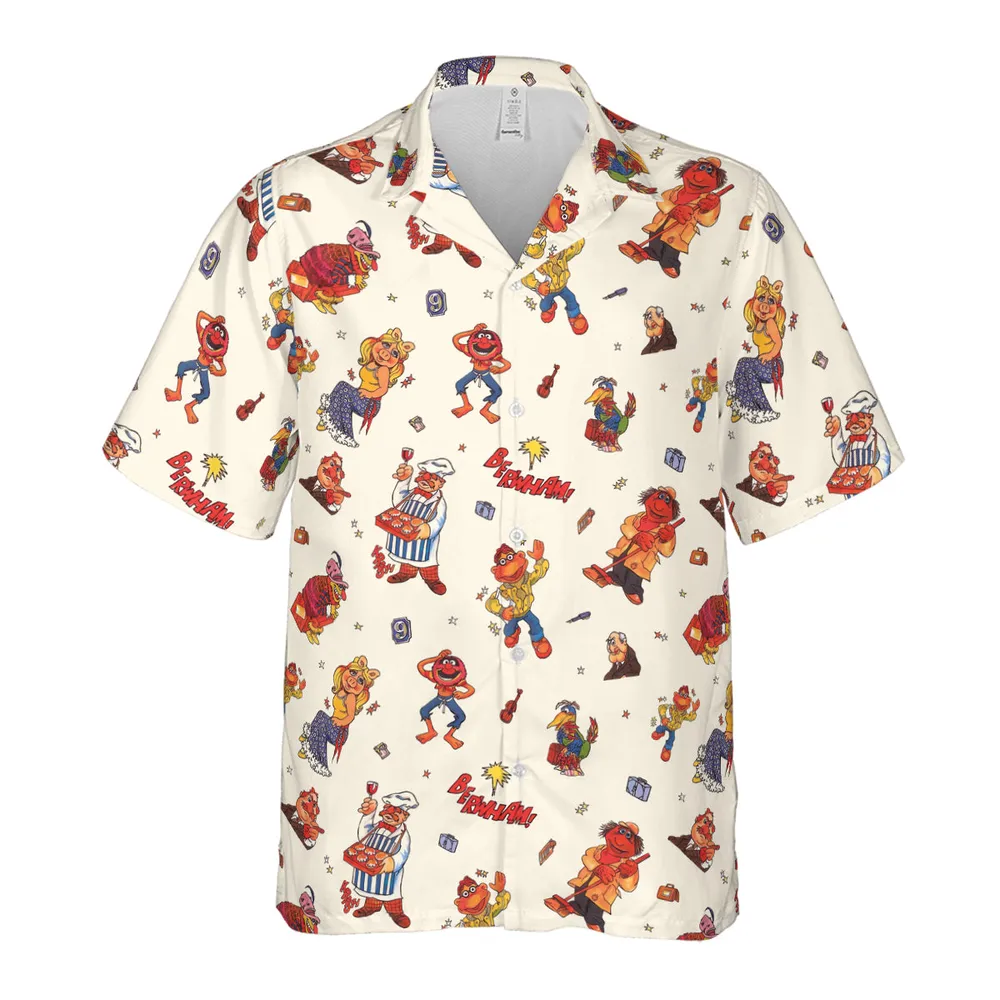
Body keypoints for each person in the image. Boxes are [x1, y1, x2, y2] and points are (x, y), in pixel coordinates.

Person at [351, 790, 419, 928]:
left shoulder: (403, 835)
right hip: (371, 867)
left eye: (396, 812)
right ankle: (371, 907)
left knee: (391, 895)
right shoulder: (377, 826)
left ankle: (396, 913)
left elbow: (403, 853)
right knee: (370, 888)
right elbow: (363, 836)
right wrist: (368, 815)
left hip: (390, 872)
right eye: (388, 810)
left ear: (405, 816)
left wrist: (392, 863)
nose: (389, 815)